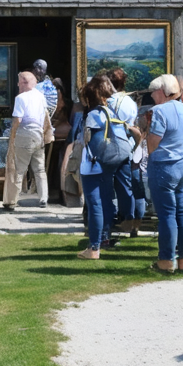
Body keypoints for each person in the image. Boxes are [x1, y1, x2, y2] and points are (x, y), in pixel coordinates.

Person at [147, 74, 183, 274]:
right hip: (182, 165)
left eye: (153, 92)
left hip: (163, 166)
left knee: (167, 214)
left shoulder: (159, 111)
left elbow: (153, 143)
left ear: (161, 91)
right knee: (182, 212)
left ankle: (166, 261)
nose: (152, 96)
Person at [77, 75, 127, 259]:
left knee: (94, 205)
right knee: (105, 201)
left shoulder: (93, 115)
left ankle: (94, 248)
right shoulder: (111, 111)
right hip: (110, 162)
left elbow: (87, 140)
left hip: (93, 165)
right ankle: (102, 238)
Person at [105, 67, 144, 239]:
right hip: (127, 145)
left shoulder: (107, 101)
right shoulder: (130, 102)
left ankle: (109, 218)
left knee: (106, 184)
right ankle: (128, 218)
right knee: (124, 184)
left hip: (108, 145)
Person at [4, 71, 49, 210]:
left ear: (23, 82)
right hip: (39, 134)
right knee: (40, 169)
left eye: (19, 81)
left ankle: (12, 200)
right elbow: (45, 117)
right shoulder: (41, 96)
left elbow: (18, 119)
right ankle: (43, 199)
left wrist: (13, 135)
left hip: (25, 133)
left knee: (19, 169)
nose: (17, 84)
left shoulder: (20, 98)